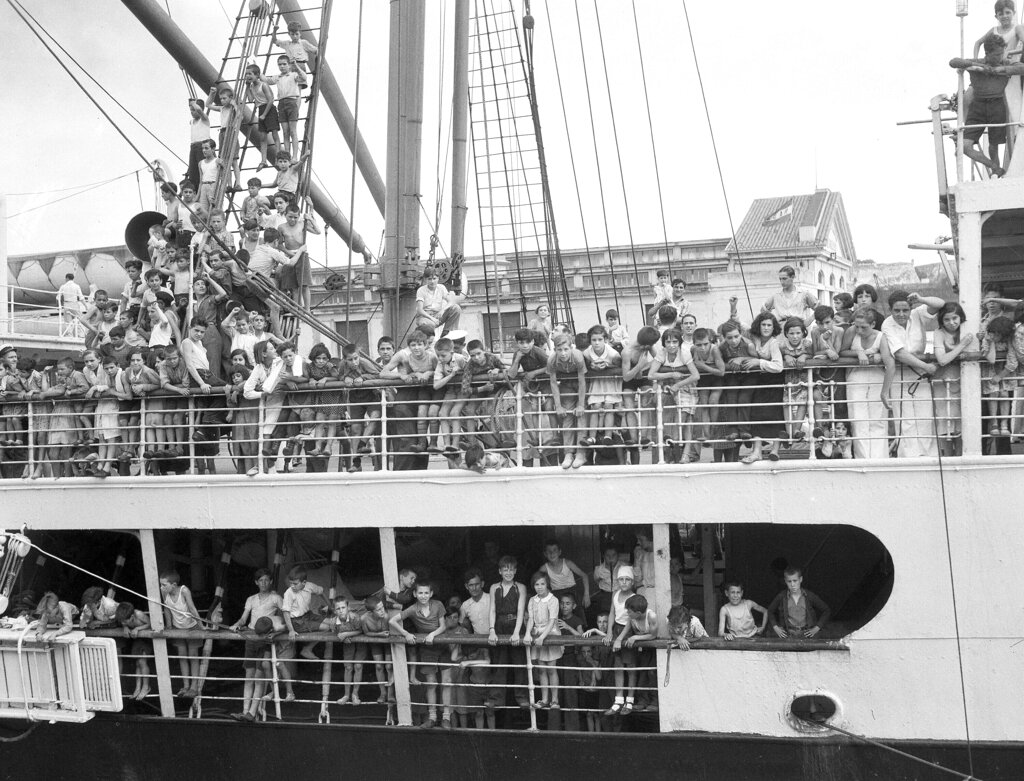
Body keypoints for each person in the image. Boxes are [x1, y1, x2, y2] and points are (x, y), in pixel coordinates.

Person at [880, 291, 944, 458]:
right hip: (901, 374)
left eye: (905, 310)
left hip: (920, 374)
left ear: (910, 308)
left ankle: (928, 456)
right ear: (890, 310)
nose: (901, 314)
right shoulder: (887, 325)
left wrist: (921, 299)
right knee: (905, 418)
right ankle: (908, 457)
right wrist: (926, 366)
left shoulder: (917, 314)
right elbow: (899, 353)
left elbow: (940, 304)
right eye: (896, 310)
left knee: (925, 415)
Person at [950, 32, 1024, 176]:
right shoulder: (979, 63)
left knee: (993, 146)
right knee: (964, 147)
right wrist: (977, 67)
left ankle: (997, 173)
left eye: (1001, 54)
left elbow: (1022, 67)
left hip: (997, 106)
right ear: (987, 53)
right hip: (977, 108)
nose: (1000, 57)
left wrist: (1002, 69)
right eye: (996, 55)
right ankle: (993, 167)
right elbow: (953, 62)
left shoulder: (1004, 63)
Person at [840, 307, 895, 459]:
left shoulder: (881, 337)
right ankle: (862, 459)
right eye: (856, 326)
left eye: (863, 327)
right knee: (859, 421)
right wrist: (858, 352)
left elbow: (890, 364)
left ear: (873, 324)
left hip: (877, 379)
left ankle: (879, 459)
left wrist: (885, 392)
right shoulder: (852, 331)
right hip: (855, 379)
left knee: (878, 421)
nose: (859, 330)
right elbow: (842, 351)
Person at [389, 581, 446, 728]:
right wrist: (406, 633)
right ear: (415, 594)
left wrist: (432, 634)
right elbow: (392, 620)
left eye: (426, 593)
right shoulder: (413, 609)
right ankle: (432, 717)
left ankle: (446, 717)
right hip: (427, 648)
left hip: (442, 645)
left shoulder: (438, 605)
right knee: (431, 683)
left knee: (447, 682)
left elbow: (443, 626)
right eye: (420, 593)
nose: (423, 596)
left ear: (431, 594)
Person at [648, 328, 700, 463]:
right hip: (669, 384)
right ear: (664, 343)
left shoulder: (684, 353)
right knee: (666, 418)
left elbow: (695, 375)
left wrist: (678, 385)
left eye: (675, 342)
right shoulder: (662, 352)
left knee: (685, 418)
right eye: (668, 342)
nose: (671, 345)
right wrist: (671, 374)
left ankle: (685, 453)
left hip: (685, 385)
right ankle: (670, 450)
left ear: (679, 342)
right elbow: (651, 374)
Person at [933, 302, 975, 453]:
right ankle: (948, 460)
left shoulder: (967, 328)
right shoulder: (939, 333)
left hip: (965, 380)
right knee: (946, 420)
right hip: (944, 382)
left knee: (963, 422)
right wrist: (962, 345)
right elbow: (942, 359)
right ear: (941, 321)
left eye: (955, 318)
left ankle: (961, 457)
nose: (951, 323)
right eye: (947, 319)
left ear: (961, 317)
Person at [487, 555, 528, 709]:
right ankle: (496, 698)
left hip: (515, 624)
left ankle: (521, 697)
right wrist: (492, 631)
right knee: (499, 663)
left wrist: (517, 633)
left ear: (515, 571)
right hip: (499, 625)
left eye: (511, 570)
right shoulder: (493, 587)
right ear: (500, 571)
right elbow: (492, 610)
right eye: (505, 570)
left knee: (519, 664)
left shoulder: (521, 587)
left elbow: (520, 610)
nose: (508, 573)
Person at [159, 570, 203, 697]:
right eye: (161, 584)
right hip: (177, 628)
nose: (161, 587)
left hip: (192, 626)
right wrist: (169, 627)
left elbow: (192, 608)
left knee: (193, 656)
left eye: (164, 585)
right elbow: (166, 608)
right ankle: (185, 686)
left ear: (173, 585)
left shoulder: (184, 591)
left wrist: (201, 627)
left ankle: (194, 687)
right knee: (182, 656)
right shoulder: (164, 592)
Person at [547, 332, 588, 469]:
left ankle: (581, 453)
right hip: (566, 385)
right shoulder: (552, 360)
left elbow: (582, 382)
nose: (563, 353)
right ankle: (568, 453)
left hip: (579, 384)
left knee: (581, 416)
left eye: (566, 349)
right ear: (555, 350)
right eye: (559, 350)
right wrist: (558, 406)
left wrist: (581, 404)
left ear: (571, 348)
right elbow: (553, 383)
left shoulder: (577, 357)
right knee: (567, 417)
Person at [523, 572, 562, 710]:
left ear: (547, 584)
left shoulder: (553, 600)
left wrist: (542, 637)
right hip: (537, 634)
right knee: (541, 669)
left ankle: (555, 700)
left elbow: (552, 621)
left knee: (551, 668)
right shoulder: (532, 600)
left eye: (542, 584)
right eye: (536, 584)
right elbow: (531, 619)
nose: (539, 587)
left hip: (550, 634)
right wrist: (528, 633)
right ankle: (545, 699)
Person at [602, 565, 636, 716]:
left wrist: (620, 638)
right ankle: (618, 699)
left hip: (628, 631)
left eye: (627, 580)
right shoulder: (615, 594)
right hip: (616, 629)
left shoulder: (633, 598)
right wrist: (609, 632)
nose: (624, 582)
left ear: (632, 582)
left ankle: (630, 699)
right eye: (621, 579)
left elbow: (630, 620)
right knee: (618, 665)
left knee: (630, 666)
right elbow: (611, 613)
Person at [767, 568, 831, 640]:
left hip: (807, 635)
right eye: (789, 581)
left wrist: (817, 628)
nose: (792, 584)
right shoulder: (782, 596)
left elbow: (826, 610)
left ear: (800, 579)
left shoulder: (809, 596)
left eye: (795, 581)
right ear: (785, 581)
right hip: (789, 634)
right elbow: (770, 611)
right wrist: (776, 628)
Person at [281, 564, 327, 666]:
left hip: (308, 615)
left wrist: (330, 606)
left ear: (304, 582)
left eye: (295, 584)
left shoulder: (309, 586)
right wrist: (291, 630)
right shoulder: (288, 593)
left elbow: (321, 591)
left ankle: (308, 648)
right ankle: (307, 649)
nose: (292, 586)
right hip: (296, 622)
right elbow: (285, 613)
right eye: (290, 583)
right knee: (326, 628)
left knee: (331, 623)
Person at [264, 56, 307, 159]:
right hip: (282, 103)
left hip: (291, 102)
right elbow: (266, 80)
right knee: (285, 132)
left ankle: (295, 156)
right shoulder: (278, 77)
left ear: (289, 65)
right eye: (280, 64)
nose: (282, 66)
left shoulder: (293, 75)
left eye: (284, 64)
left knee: (293, 131)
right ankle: (287, 155)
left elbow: (304, 77)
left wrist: (296, 65)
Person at [327, 597, 367, 705]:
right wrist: (343, 638)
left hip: (360, 642)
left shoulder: (355, 617)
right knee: (348, 667)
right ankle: (346, 695)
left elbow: (360, 630)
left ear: (348, 608)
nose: (341, 610)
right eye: (338, 608)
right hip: (347, 643)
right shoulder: (333, 622)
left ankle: (355, 694)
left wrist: (346, 634)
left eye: (343, 607)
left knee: (358, 666)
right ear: (335, 610)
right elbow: (336, 633)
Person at [243, 64, 280, 170]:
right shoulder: (251, 87)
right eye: (246, 74)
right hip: (261, 109)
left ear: (257, 75)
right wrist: (247, 87)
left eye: (250, 74)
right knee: (263, 137)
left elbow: (270, 100)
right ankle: (263, 160)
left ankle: (277, 157)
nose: (248, 76)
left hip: (269, 109)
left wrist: (264, 114)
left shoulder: (263, 85)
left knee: (274, 133)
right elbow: (250, 99)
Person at [540, 539, 591, 612]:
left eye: (555, 550)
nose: (552, 553)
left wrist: (586, 595)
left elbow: (584, 576)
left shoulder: (567, 563)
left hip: (572, 593)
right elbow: (537, 582)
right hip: (556, 595)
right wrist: (547, 594)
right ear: (545, 554)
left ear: (559, 552)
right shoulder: (544, 568)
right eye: (549, 551)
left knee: (577, 618)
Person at [360, 594, 394, 704]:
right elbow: (366, 633)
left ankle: (390, 693)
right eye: (378, 610)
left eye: (382, 608)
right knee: (379, 666)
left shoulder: (387, 616)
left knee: (389, 666)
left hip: (388, 642)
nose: (382, 611)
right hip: (375, 641)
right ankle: (383, 693)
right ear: (371, 612)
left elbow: (392, 634)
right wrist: (379, 634)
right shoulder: (364, 618)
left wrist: (383, 635)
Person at [115, 601, 153, 701]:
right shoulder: (123, 617)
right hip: (138, 639)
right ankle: (137, 688)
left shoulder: (139, 614)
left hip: (147, 638)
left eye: (125, 621)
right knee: (138, 663)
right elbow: (123, 623)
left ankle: (146, 687)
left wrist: (137, 628)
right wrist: (125, 626)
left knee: (142, 661)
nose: (122, 623)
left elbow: (150, 624)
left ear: (132, 617)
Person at [414, 267, 462, 335]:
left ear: (438, 279)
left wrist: (442, 311)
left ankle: (446, 333)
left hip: (438, 315)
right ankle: (429, 341)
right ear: (426, 279)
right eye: (429, 279)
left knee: (456, 308)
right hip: (425, 317)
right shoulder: (421, 290)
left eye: (434, 278)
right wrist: (432, 319)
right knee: (425, 324)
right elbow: (420, 310)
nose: (432, 281)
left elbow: (451, 301)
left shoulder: (441, 287)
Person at [186, 98, 211, 191]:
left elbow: (200, 111)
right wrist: (191, 104)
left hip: (202, 146)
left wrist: (193, 103)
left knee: (203, 169)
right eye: (191, 110)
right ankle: (195, 190)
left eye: (194, 110)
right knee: (193, 171)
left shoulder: (204, 119)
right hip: (193, 146)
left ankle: (203, 189)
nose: (192, 112)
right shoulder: (192, 121)